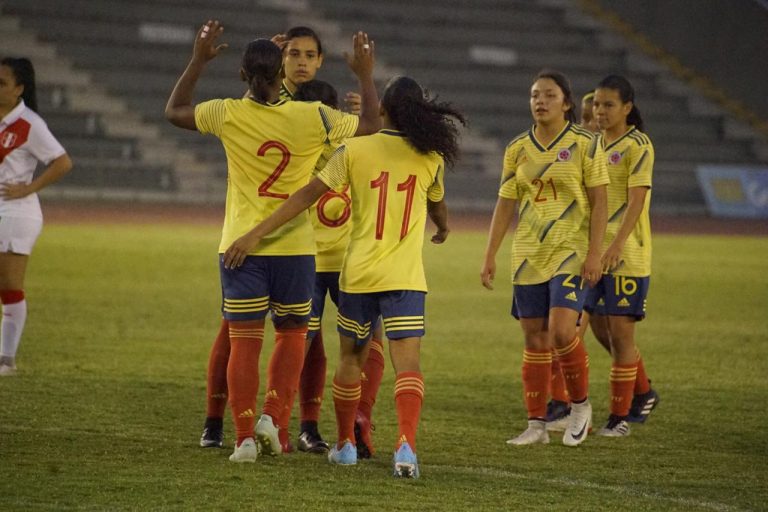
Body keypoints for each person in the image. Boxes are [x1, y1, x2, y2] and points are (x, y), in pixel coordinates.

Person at [223, 75, 464, 478]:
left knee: (350, 359)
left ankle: (345, 445)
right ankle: (406, 447)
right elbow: (437, 207)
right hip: (404, 275)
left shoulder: (354, 149)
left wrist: (255, 233)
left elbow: (305, 196)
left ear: (381, 110)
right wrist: (442, 228)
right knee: (408, 364)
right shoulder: (431, 157)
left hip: (359, 275)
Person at [165, 20, 380, 462]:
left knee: (243, 341)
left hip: (239, 244)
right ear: (283, 69)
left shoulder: (227, 112)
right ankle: (272, 415)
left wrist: (198, 60)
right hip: (297, 248)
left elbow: (175, 110)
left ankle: (242, 436)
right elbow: (372, 127)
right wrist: (364, 75)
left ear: (243, 75)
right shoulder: (313, 115)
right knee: (293, 336)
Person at [480, 69, 608, 447]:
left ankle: (579, 407)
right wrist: (490, 253)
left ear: (567, 103)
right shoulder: (517, 147)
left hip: (570, 249)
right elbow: (505, 204)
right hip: (529, 253)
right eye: (535, 94)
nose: (540, 101)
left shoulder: (586, 144)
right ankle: (536, 424)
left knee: (563, 330)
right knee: (534, 339)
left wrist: (595, 253)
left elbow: (601, 202)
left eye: (549, 95)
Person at [292, 80, 386, 458]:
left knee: (307, 342)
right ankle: (344, 419)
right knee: (362, 340)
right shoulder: (354, 145)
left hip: (319, 261)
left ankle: (313, 426)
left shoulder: (301, 148)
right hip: (335, 262)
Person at [584, 74, 658, 435]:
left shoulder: (638, 146)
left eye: (608, 105)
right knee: (599, 330)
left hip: (626, 253)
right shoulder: (592, 144)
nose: (600, 111)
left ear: (627, 108)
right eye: (597, 104)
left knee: (620, 335)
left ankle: (619, 417)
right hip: (594, 252)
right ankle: (643, 391)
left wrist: (615, 246)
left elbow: (636, 200)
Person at [0, 57, 73, 376]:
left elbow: (62, 162)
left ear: (19, 89)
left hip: (16, 212)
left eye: (2, 82)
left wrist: (29, 188)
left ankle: (7, 360)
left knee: (10, 286)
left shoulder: (28, 123)